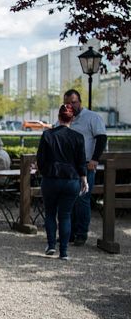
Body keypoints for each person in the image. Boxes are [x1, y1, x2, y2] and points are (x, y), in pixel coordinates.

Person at [37, 104, 88, 260]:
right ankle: (64, 252)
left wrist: (46, 172)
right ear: (72, 118)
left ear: (59, 118)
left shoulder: (47, 135)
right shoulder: (78, 137)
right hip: (71, 180)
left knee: (50, 213)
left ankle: (51, 245)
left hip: (51, 179)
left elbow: (40, 160)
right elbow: (81, 161)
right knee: (65, 215)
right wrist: (84, 178)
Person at [65, 89, 107, 246]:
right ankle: (69, 233)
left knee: (82, 199)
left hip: (86, 164)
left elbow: (101, 138)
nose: (70, 105)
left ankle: (81, 234)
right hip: (68, 166)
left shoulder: (92, 117)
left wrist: (95, 159)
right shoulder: (66, 118)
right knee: (69, 199)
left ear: (79, 102)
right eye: (67, 103)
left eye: (73, 102)